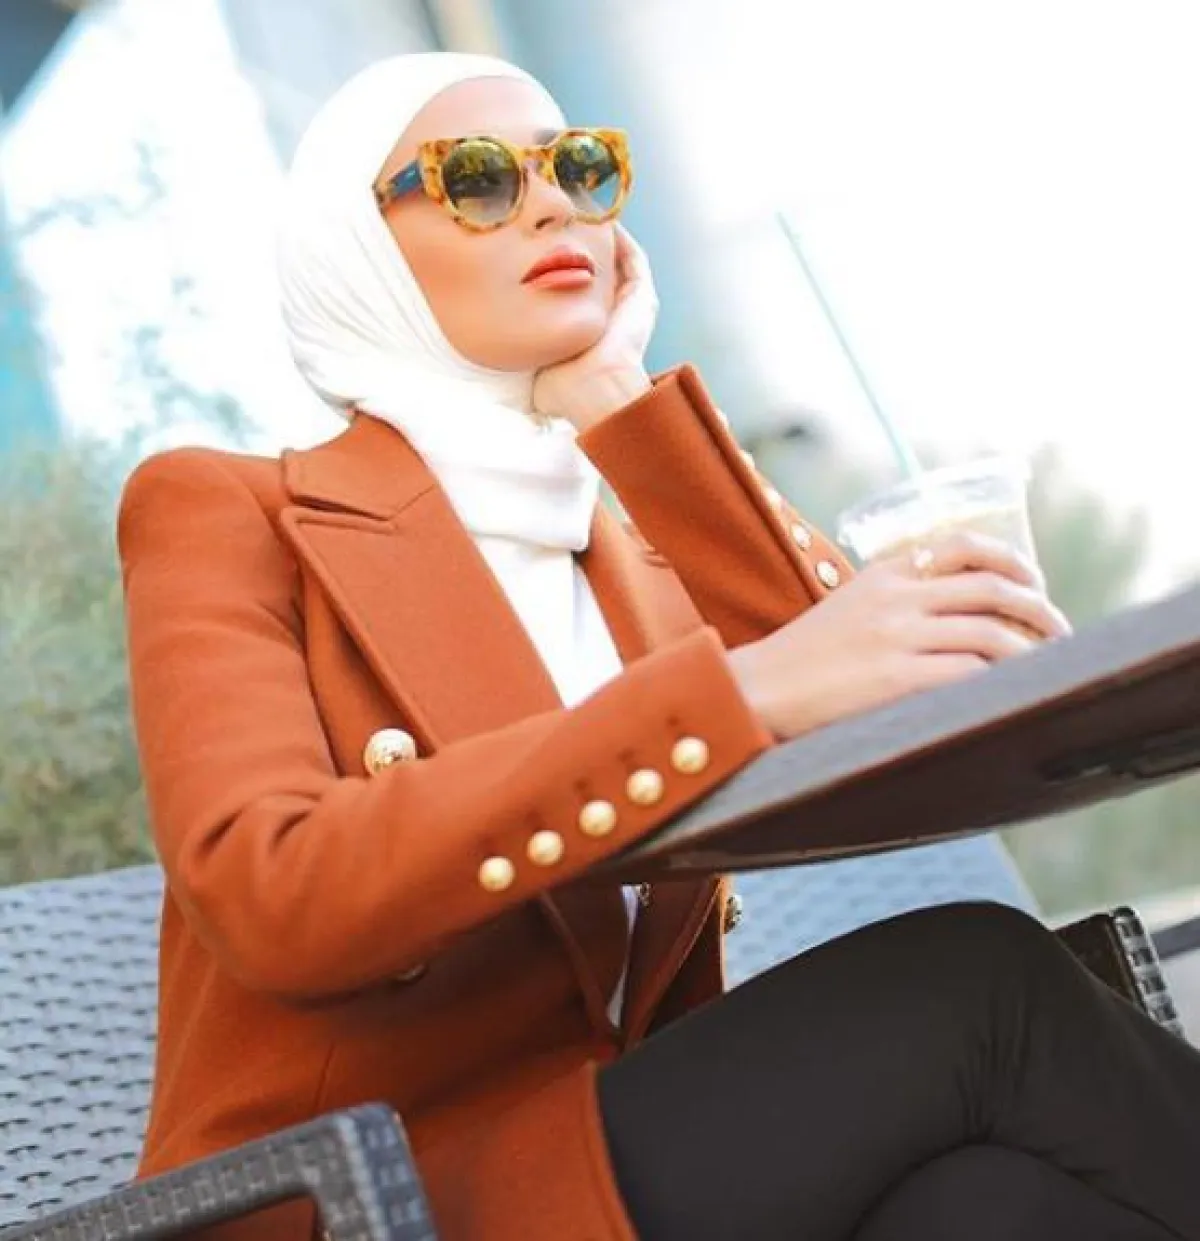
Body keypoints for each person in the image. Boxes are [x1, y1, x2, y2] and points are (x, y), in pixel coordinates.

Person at [118, 51, 1200, 1241]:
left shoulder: (619, 552)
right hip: (361, 1199)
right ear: (357, 251)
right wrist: (743, 691)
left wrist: (621, 404)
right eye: (477, 178)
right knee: (981, 982)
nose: (552, 205)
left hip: (609, 1147)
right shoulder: (231, 509)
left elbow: (878, 710)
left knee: (987, 1204)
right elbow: (271, 887)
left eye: (580, 168)